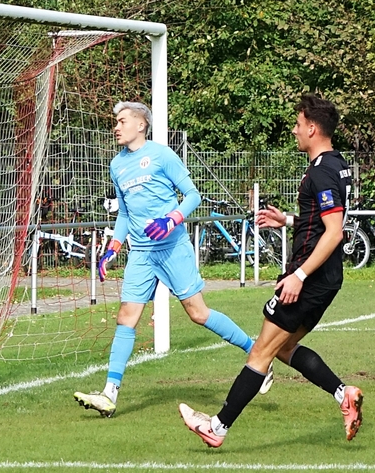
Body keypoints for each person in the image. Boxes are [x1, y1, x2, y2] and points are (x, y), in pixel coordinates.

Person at [179, 93, 363, 447]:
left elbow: (334, 232)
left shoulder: (322, 171)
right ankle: (344, 395)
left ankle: (217, 428)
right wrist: (288, 220)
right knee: (284, 347)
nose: (294, 130)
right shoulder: (336, 163)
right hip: (327, 278)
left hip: (310, 276)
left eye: (298, 124)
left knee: (261, 352)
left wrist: (299, 276)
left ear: (312, 128)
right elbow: (323, 221)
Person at [73, 101, 269, 418]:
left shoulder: (162, 155)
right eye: (116, 122)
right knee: (126, 317)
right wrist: (114, 246)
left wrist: (171, 220)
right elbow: (124, 213)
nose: (116, 127)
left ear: (141, 124)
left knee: (198, 313)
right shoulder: (116, 165)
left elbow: (193, 195)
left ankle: (256, 352)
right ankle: (109, 394)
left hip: (173, 247)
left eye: (122, 121)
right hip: (141, 253)